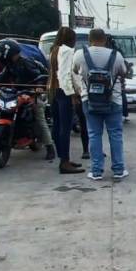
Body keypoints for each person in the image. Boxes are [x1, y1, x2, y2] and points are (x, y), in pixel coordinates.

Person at [73, 28, 128, 181]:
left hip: (89, 100)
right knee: (115, 135)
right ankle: (118, 170)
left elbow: (75, 71)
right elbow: (124, 73)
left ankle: (96, 171)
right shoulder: (116, 55)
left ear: (89, 40)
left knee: (94, 134)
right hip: (113, 100)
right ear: (105, 40)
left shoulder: (79, 54)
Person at [0, 38, 54, 160]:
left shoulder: (26, 62)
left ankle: (50, 147)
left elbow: (40, 76)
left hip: (33, 93)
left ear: (8, 52)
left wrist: (38, 87)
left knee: (39, 118)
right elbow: (2, 76)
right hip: (18, 93)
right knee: (1, 105)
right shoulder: (10, 65)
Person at [48, 26, 85, 174]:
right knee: (65, 127)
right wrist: (73, 94)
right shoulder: (67, 51)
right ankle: (64, 162)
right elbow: (65, 74)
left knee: (57, 126)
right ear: (71, 39)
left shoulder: (54, 50)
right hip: (64, 92)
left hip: (54, 91)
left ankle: (64, 159)